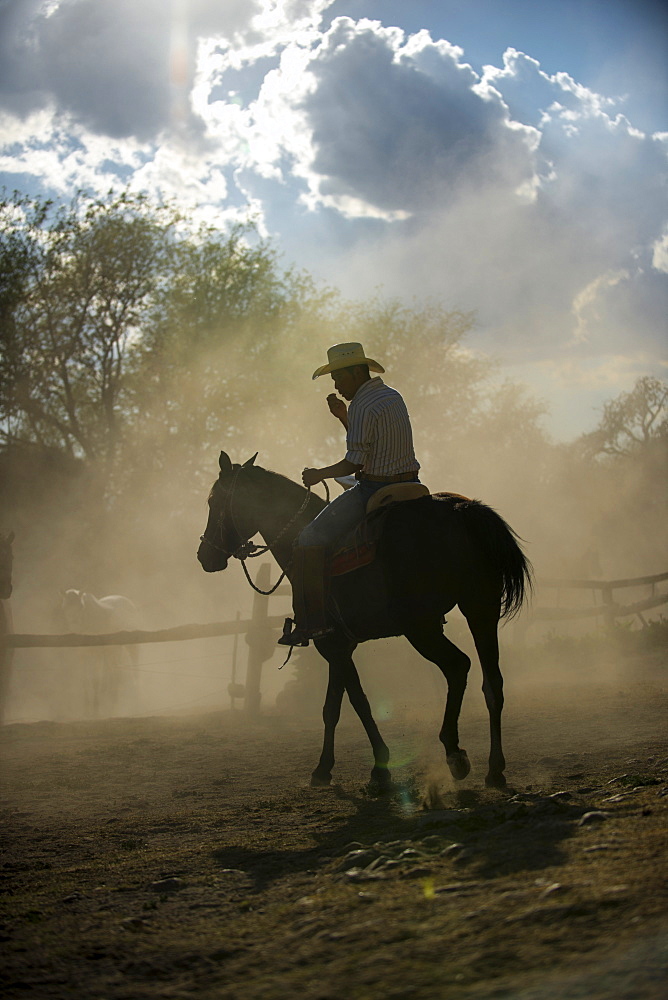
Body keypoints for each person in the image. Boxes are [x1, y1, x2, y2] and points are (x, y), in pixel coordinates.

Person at [278, 342, 421, 646]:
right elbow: (370, 444)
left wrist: (319, 475)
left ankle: (311, 622)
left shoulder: (362, 405)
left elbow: (354, 461)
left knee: (309, 538)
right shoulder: (391, 397)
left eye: (339, 377)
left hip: (375, 487)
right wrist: (344, 417)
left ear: (357, 372)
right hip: (411, 482)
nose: (336, 385)